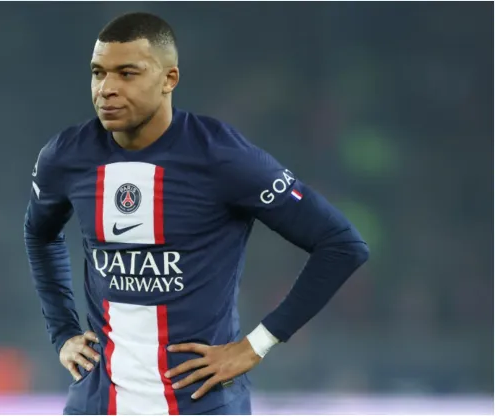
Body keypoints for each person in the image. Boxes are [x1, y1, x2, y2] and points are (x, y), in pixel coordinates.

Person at [24, 12, 369, 415]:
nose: (106, 89)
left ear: (169, 79)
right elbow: (40, 234)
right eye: (98, 73)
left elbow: (342, 245)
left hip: (201, 404)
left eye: (127, 74)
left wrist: (256, 345)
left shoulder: (221, 156)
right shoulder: (67, 156)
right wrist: (63, 331)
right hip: (99, 402)